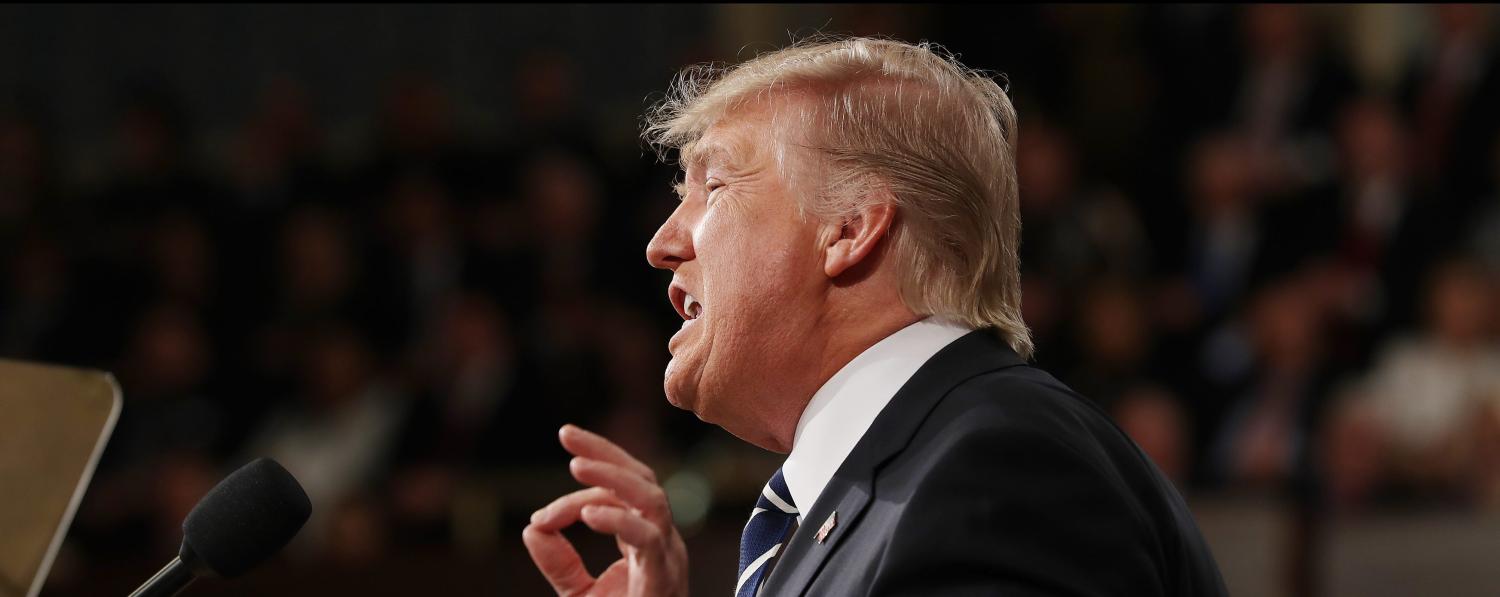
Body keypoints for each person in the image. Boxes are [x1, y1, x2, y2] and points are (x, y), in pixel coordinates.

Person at [521, 36, 1227, 596]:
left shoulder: (994, 463)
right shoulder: (914, 469)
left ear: (849, 229)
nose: (662, 243)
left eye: (713, 184)